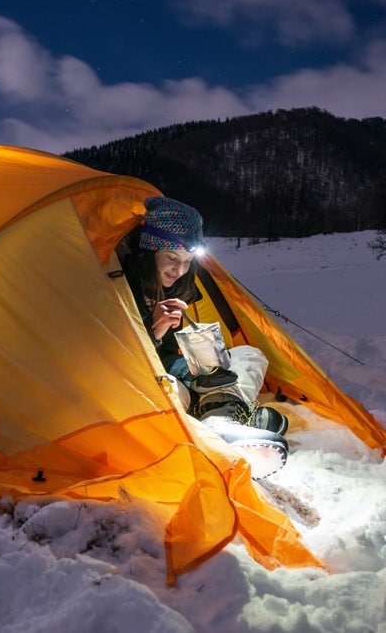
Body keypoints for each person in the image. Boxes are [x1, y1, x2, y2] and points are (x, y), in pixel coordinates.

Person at [119, 196, 289, 478]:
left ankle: (220, 418)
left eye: (187, 262)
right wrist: (156, 331)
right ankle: (226, 417)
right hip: (143, 375)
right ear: (150, 251)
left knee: (250, 356)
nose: (180, 270)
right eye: (172, 259)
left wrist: (199, 355)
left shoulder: (179, 284)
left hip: (179, 367)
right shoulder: (121, 281)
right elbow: (116, 358)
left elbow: (175, 354)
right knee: (168, 389)